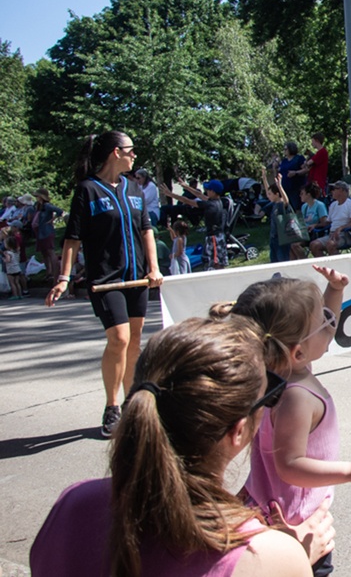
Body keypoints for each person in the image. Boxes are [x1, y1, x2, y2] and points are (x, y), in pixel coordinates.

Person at [30, 317, 317, 577]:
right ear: (238, 431)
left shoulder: (73, 503)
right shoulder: (268, 558)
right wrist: (297, 559)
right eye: (268, 393)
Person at [213, 271, 351, 577]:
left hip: (273, 508)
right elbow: (289, 465)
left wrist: (334, 289)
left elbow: (327, 328)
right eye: (321, 320)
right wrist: (349, 470)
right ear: (298, 351)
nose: (330, 324)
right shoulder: (295, 397)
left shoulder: (284, 372)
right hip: (294, 521)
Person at [45, 131, 164, 438]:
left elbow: (147, 231)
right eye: (130, 150)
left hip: (136, 277)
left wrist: (154, 268)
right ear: (115, 152)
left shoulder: (134, 187)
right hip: (105, 280)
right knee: (120, 340)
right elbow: (72, 239)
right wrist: (64, 277)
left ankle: (131, 406)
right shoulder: (87, 190)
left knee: (135, 341)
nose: (134, 155)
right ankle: (111, 406)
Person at [158, 179, 229, 270]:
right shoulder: (218, 201)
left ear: (213, 192)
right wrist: (186, 187)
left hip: (214, 237)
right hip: (218, 236)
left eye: (208, 189)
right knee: (216, 262)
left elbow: (187, 201)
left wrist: (170, 194)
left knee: (215, 263)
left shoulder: (210, 205)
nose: (206, 191)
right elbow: (199, 195)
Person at [310, 181, 351, 256]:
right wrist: (315, 225)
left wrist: (340, 228)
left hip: (346, 234)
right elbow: (328, 222)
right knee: (314, 245)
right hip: (331, 234)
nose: (332, 191)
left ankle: (338, 266)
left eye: (334, 189)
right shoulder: (333, 205)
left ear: (342, 190)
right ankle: (325, 266)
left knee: (331, 245)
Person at [31, 188, 64, 280]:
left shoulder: (47, 206)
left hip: (46, 231)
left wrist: (51, 220)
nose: (36, 198)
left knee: (50, 251)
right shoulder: (38, 206)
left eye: (37, 196)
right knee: (44, 252)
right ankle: (48, 271)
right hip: (39, 232)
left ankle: (54, 271)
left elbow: (59, 211)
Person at [263, 167, 293, 263]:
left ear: (277, 194)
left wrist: (280, 186)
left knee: (282, 260)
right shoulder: (274, 204)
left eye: (270, 194)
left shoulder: (281, 204)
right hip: (274, 237)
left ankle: (284, 276)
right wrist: (264, 178)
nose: (268, 196)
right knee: (274, 260)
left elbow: (286, 200)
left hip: (282, 238)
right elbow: (268, 190)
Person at [292, 183, 329, 260]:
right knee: (290, 244)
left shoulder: (319, 205)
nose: (300, 196)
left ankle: (305, 262)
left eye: (302, 193)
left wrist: (315, 225)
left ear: (308, 194)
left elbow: (324, 223)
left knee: (296, 245)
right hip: (305, 233)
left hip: (316, 233)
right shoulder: (304, 207)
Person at [279, 141, 308, 211]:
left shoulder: (299, 158)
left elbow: (306, 169)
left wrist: (295, 172)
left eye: (286, 149)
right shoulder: (284, 161)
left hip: (296, 187)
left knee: (296, 207)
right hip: (285, 187)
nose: (284, 151)